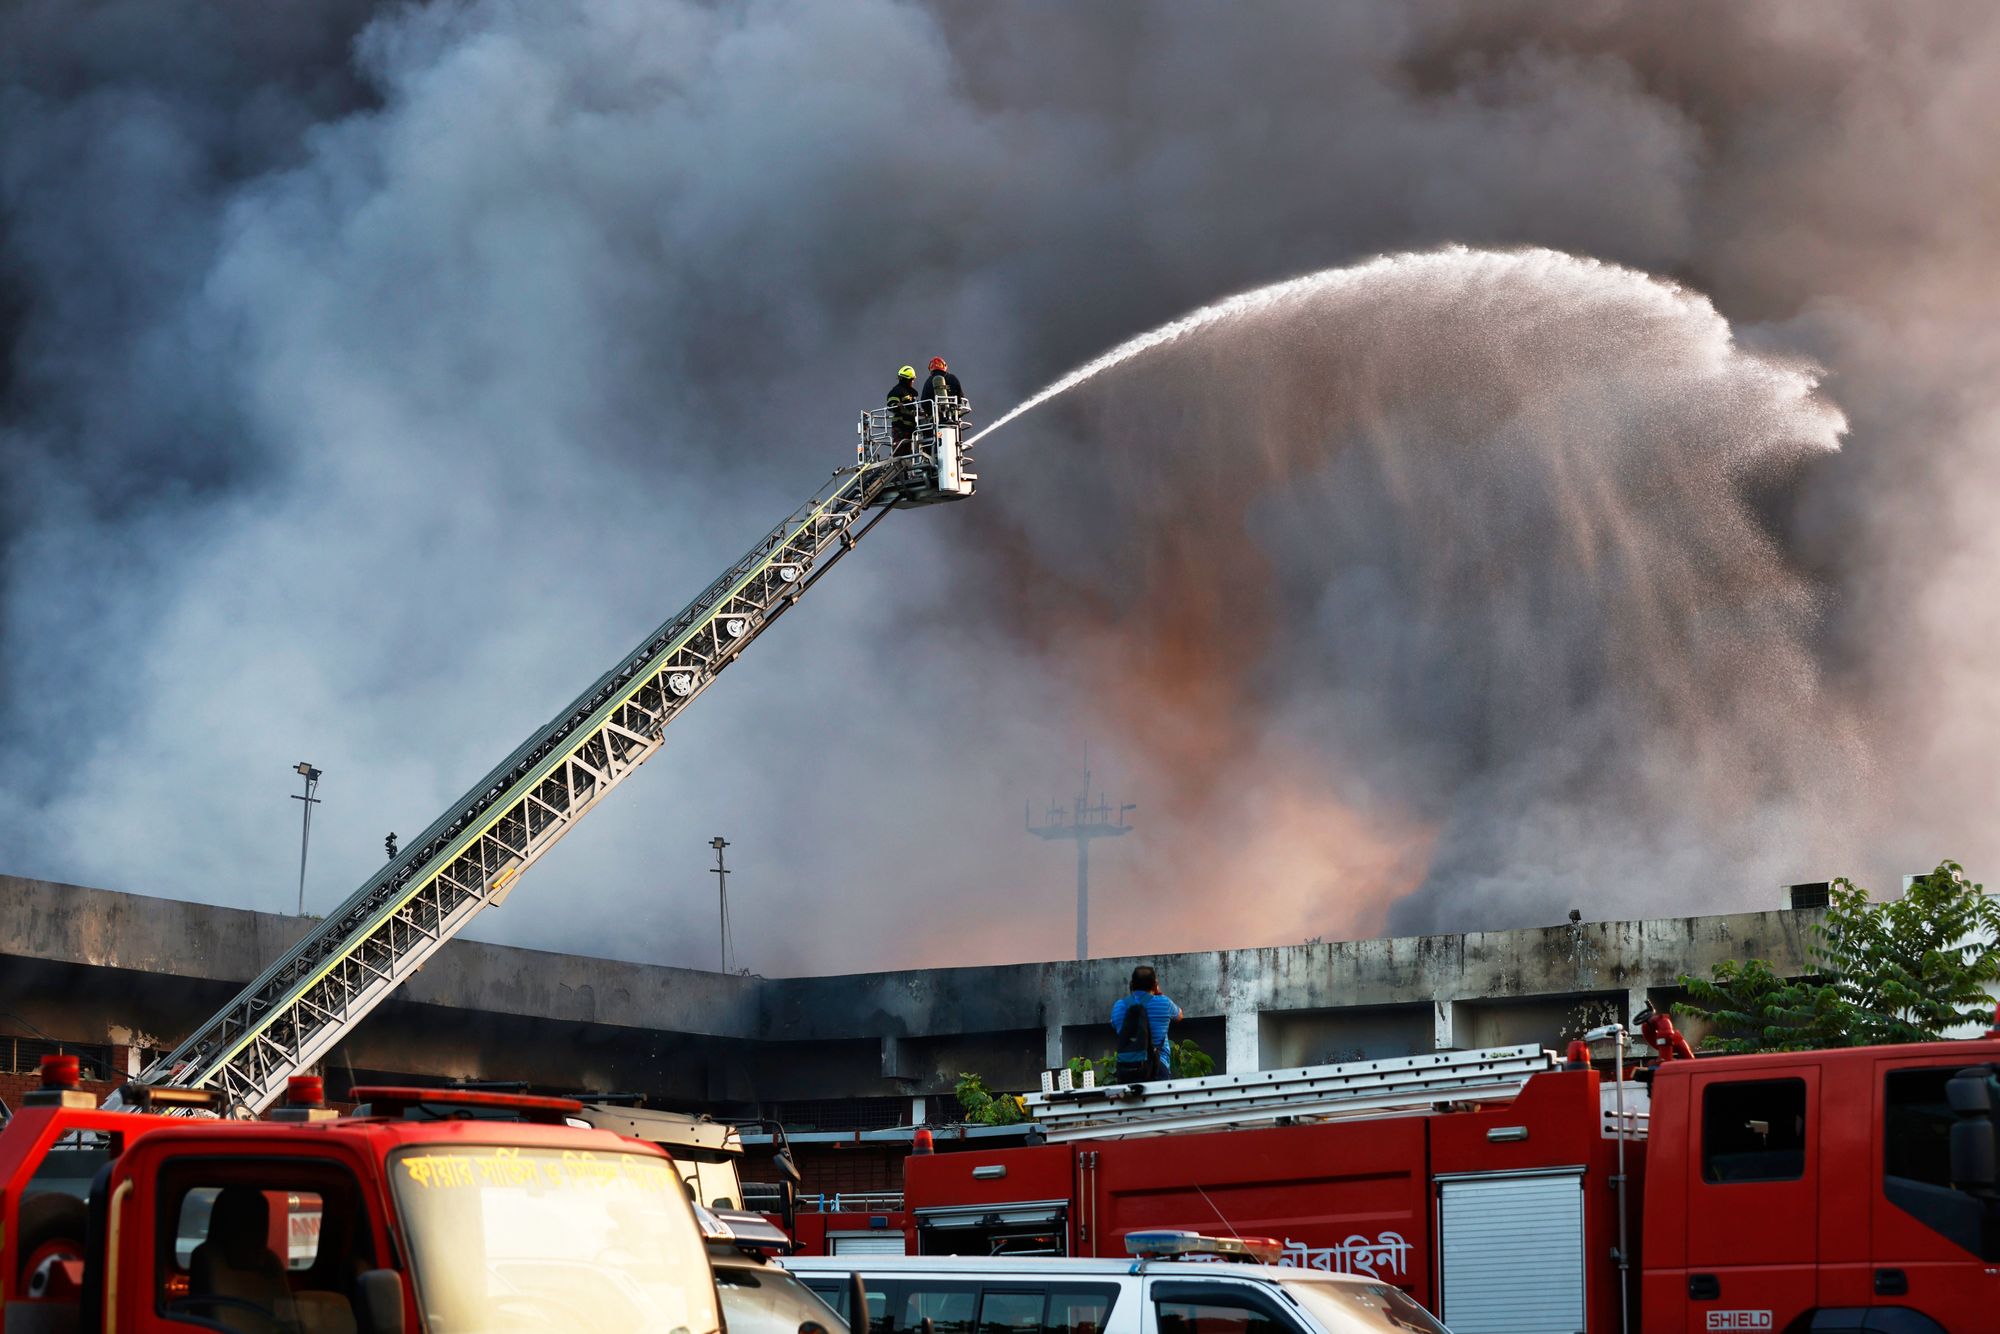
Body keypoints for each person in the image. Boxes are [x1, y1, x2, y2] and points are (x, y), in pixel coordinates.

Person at [1110, 964, 1181, 1082]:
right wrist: (1159, 993)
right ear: (1154, 985)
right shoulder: (1164, 1003)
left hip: (1127, 1071)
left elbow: (1114, 1025)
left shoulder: (1119, 1006)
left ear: (1132, 985)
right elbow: (1179, 1016)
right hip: (1158, 1067)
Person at [918, 356, 965, 425]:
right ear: (944, 366)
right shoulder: (953, 378)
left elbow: (924, 403)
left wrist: (929, 412)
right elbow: (961, 398)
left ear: (931, 369)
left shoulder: (928, 381)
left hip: (936, 420)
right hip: (953, 418)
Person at [886, 365, 918, 456]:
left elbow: (912, 408)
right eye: (912, 379)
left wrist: (920, 412)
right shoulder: (897, 391)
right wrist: (896, 405)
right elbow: (891, 404)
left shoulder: (910, 394)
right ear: (907, 380)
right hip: (900, 427)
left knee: (908, 452)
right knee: (899, 452)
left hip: (910, 428)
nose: (913, 382)